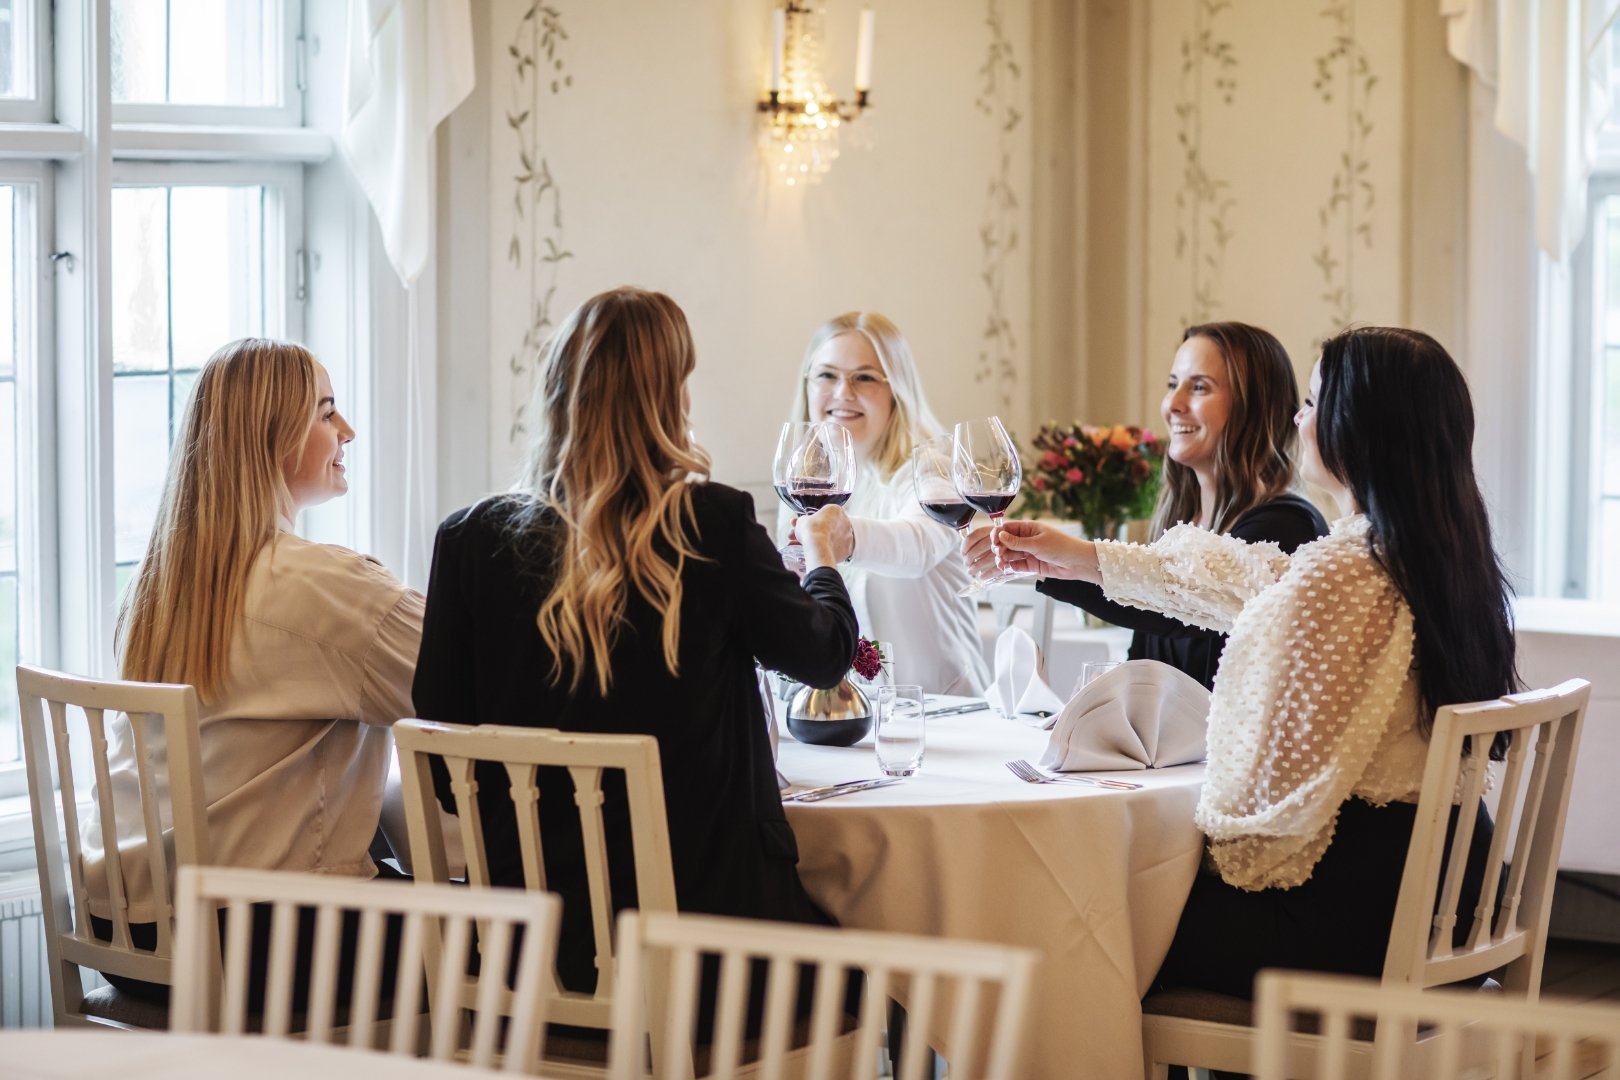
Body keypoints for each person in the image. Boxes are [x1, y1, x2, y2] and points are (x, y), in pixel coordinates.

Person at [968, 326, 1514, 995]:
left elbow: (1269, 823)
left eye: (1312, 403)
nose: (1298, 420)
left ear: (1359, 426)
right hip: (1446, 898)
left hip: (1356, 921)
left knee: (1082, 926)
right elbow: (1249, 576)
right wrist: (1077, 558)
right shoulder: (1420, 560)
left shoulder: (1347, 575)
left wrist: (1181, 860)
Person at [412, 287, 859, 999]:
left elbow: (446, 772)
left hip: (526, 957)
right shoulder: (709, 524)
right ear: (669, 398)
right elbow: (825, 656)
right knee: (884, 965)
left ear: (556, 395)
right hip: (710, 961)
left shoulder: (469, 540)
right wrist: (824, 559)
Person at [85, 338, 421, 1005]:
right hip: (253, 936)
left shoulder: (158, 589)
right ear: (273, 438)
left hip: (126, 932)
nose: (347, 430)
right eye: (326, 412)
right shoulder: (326, 588)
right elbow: (466, 683)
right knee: (504, 939)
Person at [1033, 322, 1328, 690]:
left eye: (1199, 387)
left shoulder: (1285, 528)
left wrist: (1053, 560)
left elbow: (1173, 610)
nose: (1172, 404)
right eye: (1173, 384)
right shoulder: (1183, 524)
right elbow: (1145, 655)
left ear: (1252, 407)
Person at [782, 311, 990, 695]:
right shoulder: (809, 484)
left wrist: (842, 539)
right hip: (856, 711)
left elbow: (917, 546)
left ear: (897, 391)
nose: (842, 393)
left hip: (943, 709)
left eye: (863, 377)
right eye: (826, 375)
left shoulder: (932, 470)